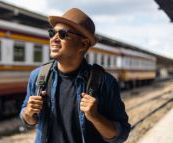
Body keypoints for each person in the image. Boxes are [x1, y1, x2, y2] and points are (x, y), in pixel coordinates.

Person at [20, 8, 130, 143]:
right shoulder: (38, 76)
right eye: (51, 33)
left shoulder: (105, 82)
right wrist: (28, 113)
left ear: (83, 44)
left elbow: (121, 135)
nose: (53, 39)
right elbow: (28, 121)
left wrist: (95, 117)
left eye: (62, 34)